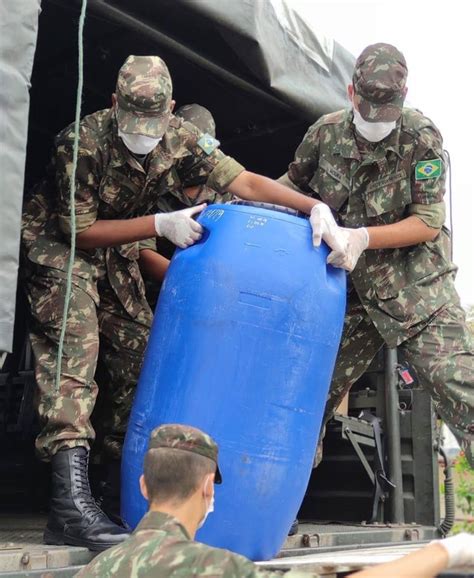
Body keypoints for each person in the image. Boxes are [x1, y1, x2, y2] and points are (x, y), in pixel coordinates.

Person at [21, 55, 322, 551]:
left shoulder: (182, 136)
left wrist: (313, 209)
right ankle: (68, 507)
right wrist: (160, 226)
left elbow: (242, 181)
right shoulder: (81, 141)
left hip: (116, 246)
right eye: (133, 123)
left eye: (153, 125)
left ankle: (113, 486)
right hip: (61, 246)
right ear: (114, 103)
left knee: (140, 350)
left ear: (172, 111)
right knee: (77, 347)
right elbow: (77, 229)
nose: (143, 135)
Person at [280, 42, 473, 467]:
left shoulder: (421, 138)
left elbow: (426, 220)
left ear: (403, 100)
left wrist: (362, 236)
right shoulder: (324, 133)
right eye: (368, 111)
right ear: (351, 94)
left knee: (460, 384)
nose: (375, 122)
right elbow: (291, 187)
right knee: (301, 396)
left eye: (385, 115)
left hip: (415, 290)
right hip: (346, 294)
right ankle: (276, 503)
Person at [77, 423, 474, 577]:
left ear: (144, 486)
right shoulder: (211, 568)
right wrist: (447, 551)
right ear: (207, 487)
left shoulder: (93, 571)